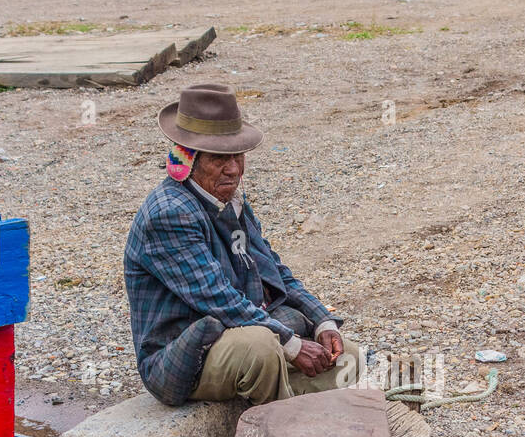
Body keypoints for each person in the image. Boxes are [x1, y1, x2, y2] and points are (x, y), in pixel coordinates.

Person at [124, 83, 358, 406]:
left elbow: (274, 271)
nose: (233, 169)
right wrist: (291, 345)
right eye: (219, 158)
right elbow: (218, 298)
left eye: (237, 155)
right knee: (262, 348)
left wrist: (322, 321)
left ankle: (312, 420)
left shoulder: (230, 201)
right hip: (182, 356)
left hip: (237, 331)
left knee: (349, 358)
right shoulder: (168, 214)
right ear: (189, 158)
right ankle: (285, 436)